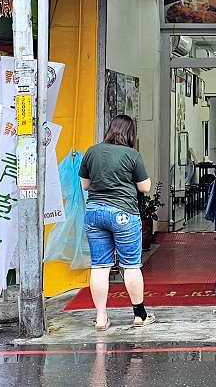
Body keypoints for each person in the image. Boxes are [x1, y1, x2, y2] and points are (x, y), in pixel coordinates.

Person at [79, 114, 156, 330]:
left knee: (100, 266)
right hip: (123, 213)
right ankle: (139, 314)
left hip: (94, 212)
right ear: (130, 133)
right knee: (130, 265)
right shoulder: (132, 154)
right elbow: (145, 187)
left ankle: (101, 318)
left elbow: (86, 185)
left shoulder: (92, 151)